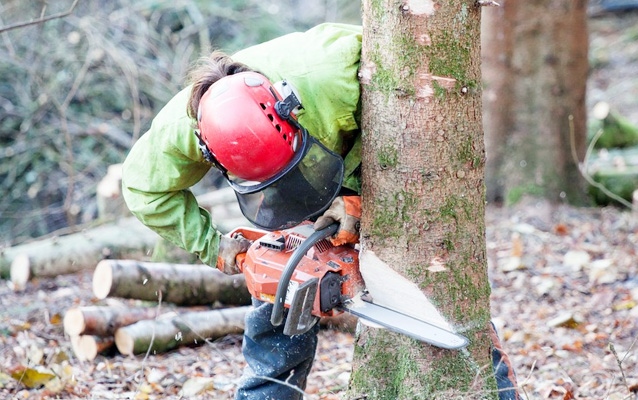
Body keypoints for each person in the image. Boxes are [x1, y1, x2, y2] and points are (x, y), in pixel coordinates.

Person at [122, 23, 519, 400]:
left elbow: (409, 91)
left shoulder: (339, 74)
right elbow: (143, 189)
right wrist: (220, 248)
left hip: (372, 151)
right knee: (285, 273)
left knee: (429, 273)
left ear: (287, 110)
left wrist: (367, 197)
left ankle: (492, 385)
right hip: (282, 177)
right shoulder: (182, 132)